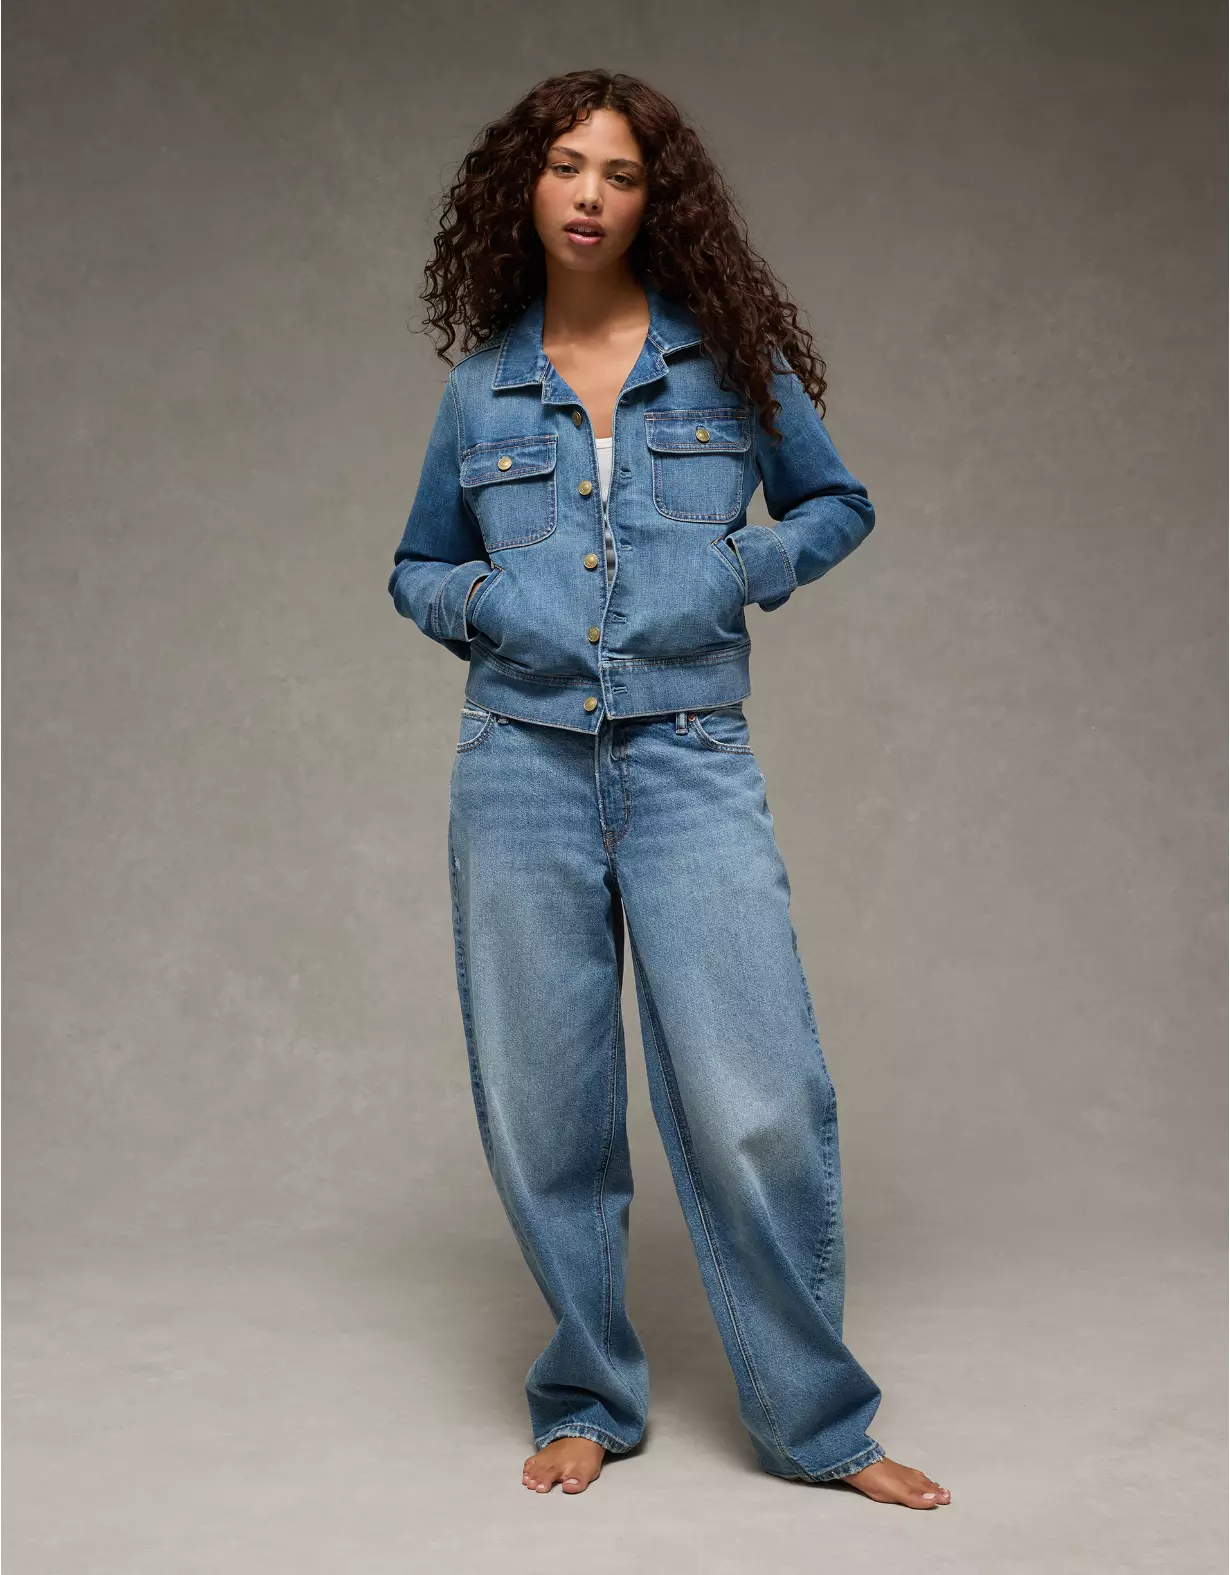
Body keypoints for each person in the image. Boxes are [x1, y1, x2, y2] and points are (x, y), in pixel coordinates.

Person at [388, 69, 951, 1510]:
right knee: (547, 1108)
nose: (589, 195)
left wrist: (735, 567)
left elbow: (835, 504)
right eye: (564, 166)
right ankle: (588, 1394)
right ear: (523, 189)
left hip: (688, 755)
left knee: (759, 1095)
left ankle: (818, 1423)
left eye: (620, 173)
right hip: (517, 766)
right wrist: (484, 603)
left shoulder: (727, 366)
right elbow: (416, 565)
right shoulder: (480, 388)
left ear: (657, 199)